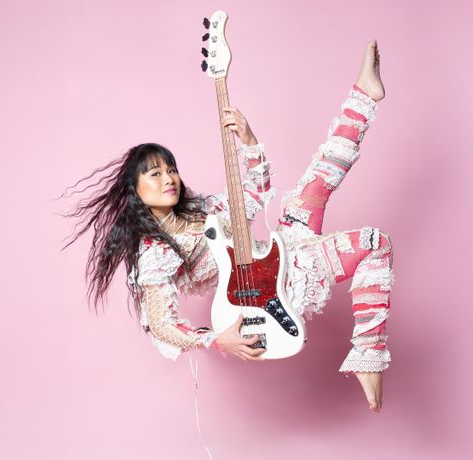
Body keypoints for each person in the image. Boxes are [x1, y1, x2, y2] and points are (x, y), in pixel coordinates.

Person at [62, 40, 393, 413]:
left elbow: (254, 195)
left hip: (282, 251)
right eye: (154, 174)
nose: (168, 178)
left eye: (171, 169)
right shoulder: (156, 250)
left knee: (318, 179)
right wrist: (215, 340)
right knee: (376, 243)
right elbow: (161, 323)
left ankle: (365, 94)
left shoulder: (204, 211)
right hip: (276, 288)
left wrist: (248, 141)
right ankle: (369, 355)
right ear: (134, 191)